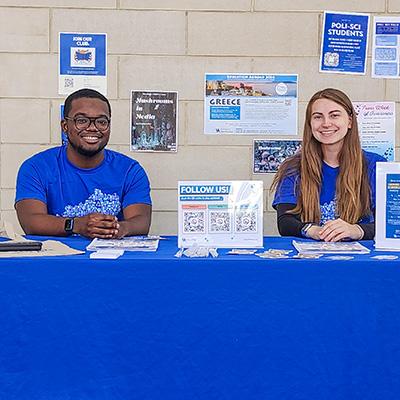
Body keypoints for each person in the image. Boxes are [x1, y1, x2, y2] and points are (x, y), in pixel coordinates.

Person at [15, 88, 152, 239]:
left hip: (110, 259)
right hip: (57, 260)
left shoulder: (130, 170)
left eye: (101, 121)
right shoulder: (36, 168)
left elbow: (141, 221)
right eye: (82, 120)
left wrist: (119, 228)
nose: (92, 128)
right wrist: (77, 225)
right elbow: (31, 221)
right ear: (65, 126)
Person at [271, 88, 386, 242]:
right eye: (318, 117)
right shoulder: (293, 168)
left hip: (361, 260)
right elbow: (285, 222)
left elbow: (389, 223)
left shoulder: (376, 165)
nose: (326, 123)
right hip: (310, 258)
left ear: (350, 121)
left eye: (334, 115)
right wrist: (313, 230)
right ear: (310, 124)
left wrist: (356, 230)